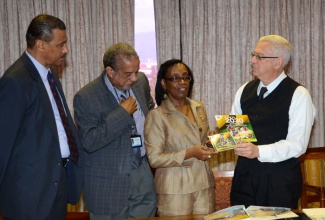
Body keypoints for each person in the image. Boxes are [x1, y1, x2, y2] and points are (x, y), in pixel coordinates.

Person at [0, 14, 83, 220]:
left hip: (57, 182)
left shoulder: (50, 74)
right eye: (60, 44)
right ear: (40, 45)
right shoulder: (16, 81)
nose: (65, 50)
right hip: (29, 194)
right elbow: (3, 143)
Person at [230, 35, 316, 209]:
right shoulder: (243, 90)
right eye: (253, 54)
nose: (252, 60)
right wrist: (223, 139)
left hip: (279, 182)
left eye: (259, 56)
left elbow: (297, 145)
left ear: (278, 62)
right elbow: (235, 132)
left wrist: (258, 151)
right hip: (244, 178)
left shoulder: (299, 94)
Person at [73, 42, 156, 219]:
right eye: (128, 74)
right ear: (110, 72)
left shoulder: (140, 82)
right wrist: (122, 114)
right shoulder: (86, 97)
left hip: (141, 173)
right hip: (109, 185)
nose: (134, 78)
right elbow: (89, 141)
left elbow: (149, 107)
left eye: (136, 71)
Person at [144, 59, 217, 216]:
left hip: (204, 185)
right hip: (174, 190)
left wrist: (213, 142)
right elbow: (155, 159)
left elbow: (202, 143)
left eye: (186, 77)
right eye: (175, 78)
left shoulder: (199, 107)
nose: (182, 82)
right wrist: (190, 153)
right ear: (164, 83)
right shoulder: (156, 116)